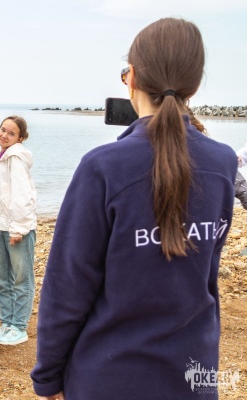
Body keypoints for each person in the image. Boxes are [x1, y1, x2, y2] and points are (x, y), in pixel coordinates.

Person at [31, 18, 237, 399]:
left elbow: (68, 287)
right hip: (194, 375)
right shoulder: (222, 164)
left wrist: (48, 376)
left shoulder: (103, 168)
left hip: (110, 378)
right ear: (193, 86)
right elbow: (204, 274)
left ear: (132, 78)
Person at [0, 116, 37, 346]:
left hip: (16, 229)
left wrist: (18, 229)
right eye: (2, 130)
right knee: (2, 278)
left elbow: (23, 196)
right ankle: (7, 322)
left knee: (21, 278)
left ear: (21, 138)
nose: (4, 135)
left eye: (11, 133)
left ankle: (19, 326)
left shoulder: (16, 157)